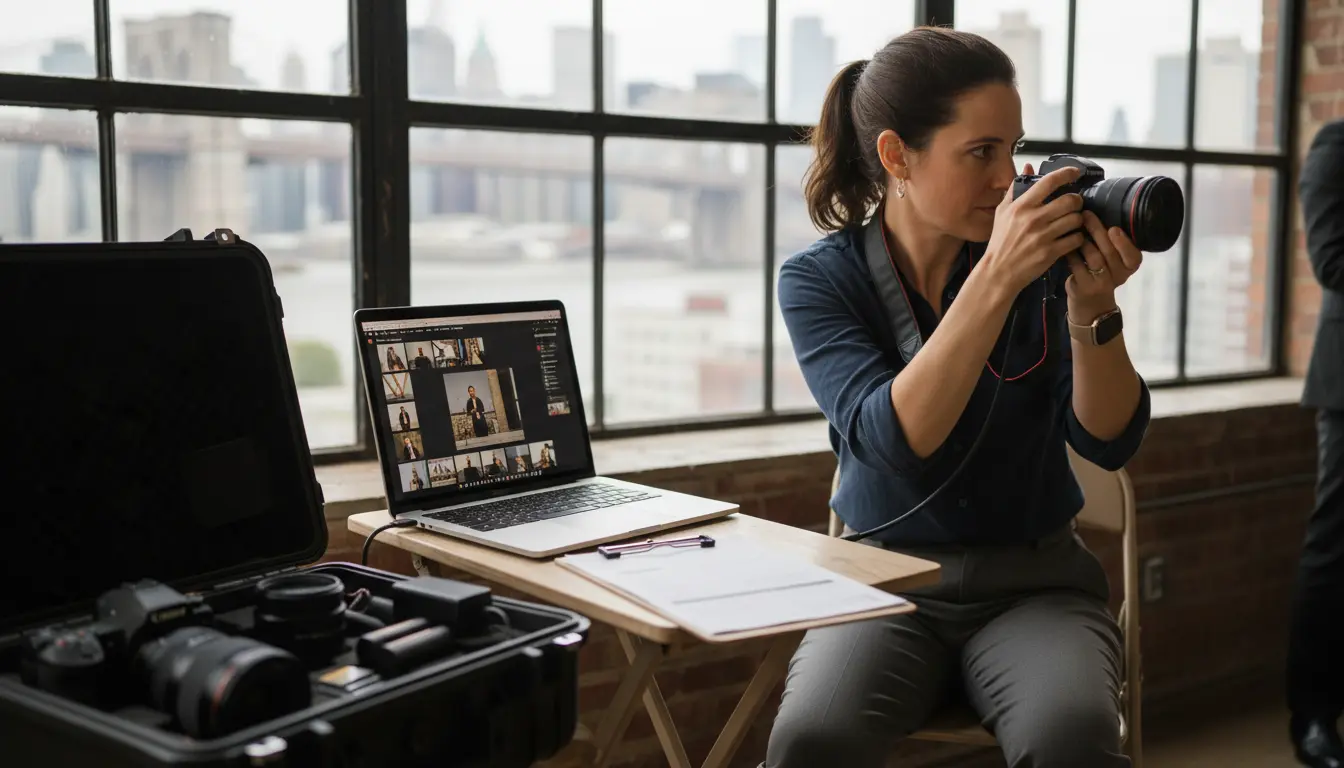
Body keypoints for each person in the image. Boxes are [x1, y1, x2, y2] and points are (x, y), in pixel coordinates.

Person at [765, 27, 1151, 768]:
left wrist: (1090, 310)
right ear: (895, 156)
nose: (1009, 178)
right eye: (981, 152)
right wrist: (999, 277)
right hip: (882, 581)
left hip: (1037, 585)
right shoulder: (820, 281)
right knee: (810, 744)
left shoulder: (1035, 259)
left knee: (1074, 742)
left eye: (1014, 148)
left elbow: (1108, 439)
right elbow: (891, 440)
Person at [1288, 118, 1344, 768]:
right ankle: (1312, 716)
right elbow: (1332, 261)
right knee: (1334, 549)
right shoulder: (1335, 147)